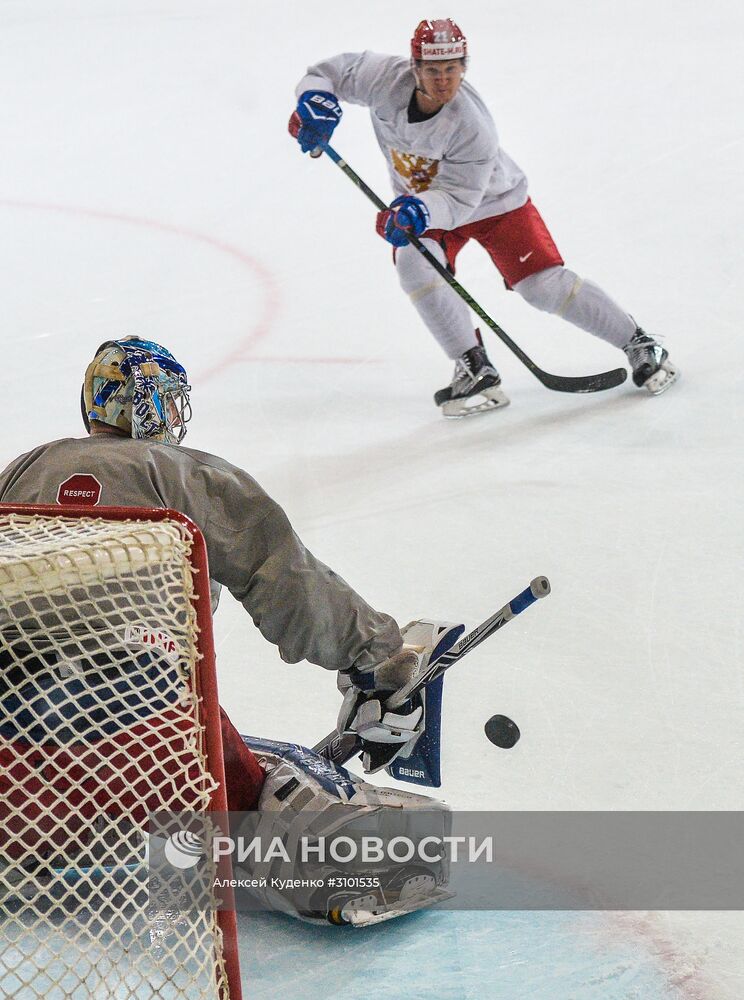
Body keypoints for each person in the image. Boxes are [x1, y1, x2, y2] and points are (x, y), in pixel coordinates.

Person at [0, 336, 454, 923]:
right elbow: (284, 577)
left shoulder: (20, 474)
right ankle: (336, 864)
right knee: (278, 790)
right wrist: (378, 661)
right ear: (149, 405)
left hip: (18, 747)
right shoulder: (175, 471)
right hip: (146, 733)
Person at [289, 18, 679, 417]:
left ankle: (640, 344)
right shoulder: (383, 77)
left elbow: (458, 199)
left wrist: (417, 210)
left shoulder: (472, 126)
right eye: (433, 70)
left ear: (464, 67)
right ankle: (474, 366)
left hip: (494, 204)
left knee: (541, 286)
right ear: (415, 67)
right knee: (413, 264)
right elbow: (325, 74)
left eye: (452, 69)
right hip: (426, 207)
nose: (443, 80)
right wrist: (315, 105)